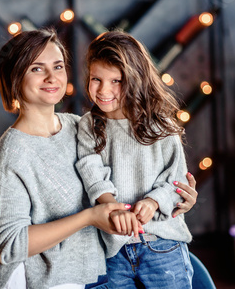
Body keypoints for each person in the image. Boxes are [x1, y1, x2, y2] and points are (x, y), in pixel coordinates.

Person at [0, 28, 199, 289]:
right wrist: (88, 217)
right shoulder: (11, 155)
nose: (52, 77)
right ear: (14, 78)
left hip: (105, 272)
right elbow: (10, 244)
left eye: (58, 66)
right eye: (37, 69)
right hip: (51, 283)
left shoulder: (81, 127)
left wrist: (174, 199)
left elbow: (157, 172)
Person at [76, 30, 210, 289]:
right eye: (96, 79)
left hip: (162, 246)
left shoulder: (160, 124)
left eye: (116, 80)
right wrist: (113, 207)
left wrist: (153, 201)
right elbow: (91, 172)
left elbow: (176, 180)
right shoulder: (88, 126)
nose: (104, 90)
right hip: (113, 251)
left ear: (136, 79)